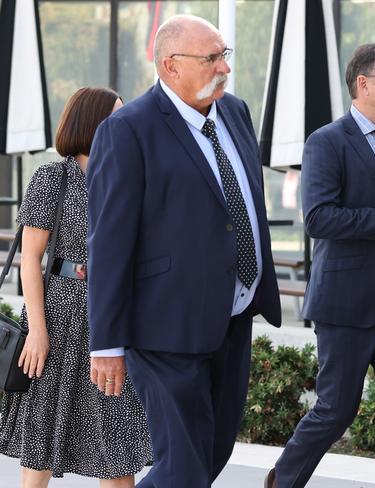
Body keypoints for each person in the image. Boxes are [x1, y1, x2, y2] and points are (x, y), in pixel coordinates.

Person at [85, 14, 281, 488]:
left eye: (224, 55)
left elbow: (242, 202)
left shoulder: (235, 112)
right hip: (163, 327)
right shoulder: (128, 130)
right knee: (185, 466)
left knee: (211, 453)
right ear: (170, 66)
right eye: (211, 58)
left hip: (233, 315)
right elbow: (108, 243)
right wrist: (106, 343)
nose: (224, 68)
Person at [265, 43, 375, 488]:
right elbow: (320, 218)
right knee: (336, 410)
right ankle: (282, 481)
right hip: (346, 304)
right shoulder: (326, 142)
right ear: (364, 84)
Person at [0, 87, 152, 487]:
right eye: (116, 116)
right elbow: (30, 259)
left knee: (118, 448)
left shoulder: (128, 177)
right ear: (92, 122)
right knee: (41, 444)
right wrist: (37, 330)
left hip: (115, 319)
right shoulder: (53, 175)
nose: (125, 124)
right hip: (61, 317)